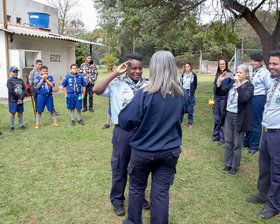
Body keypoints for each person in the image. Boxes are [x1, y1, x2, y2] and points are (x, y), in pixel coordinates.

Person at [118, 51, 189, 224]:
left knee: (136, 189)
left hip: (144, 151)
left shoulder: (145, 93)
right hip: (169, 152)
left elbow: (124, 119)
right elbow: (183, 113)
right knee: (161, 193)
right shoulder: (181, 94)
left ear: (154, 68)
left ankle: (133, 221)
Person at [93, 53, 150, 216]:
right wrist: (115, 73)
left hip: (143, 132)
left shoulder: (148, 85)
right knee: (119, 166)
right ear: (126, 68)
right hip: (123, 131)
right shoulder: (116, 83)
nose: (137, 71)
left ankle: (138, 197)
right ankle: (117, 200)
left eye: (140, 68)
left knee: (140, 167)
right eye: (133, 68)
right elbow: (97, 89)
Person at [246, 50, 280, 220]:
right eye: (271, 63)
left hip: (278, 135)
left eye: (275, 64)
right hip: (266, 132)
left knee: (277, 171)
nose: (271, 67)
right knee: (264, 166)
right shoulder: (275, 82)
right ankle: (263, 194)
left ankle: (274, 206)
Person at [216, 64, 254, 175]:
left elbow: (244, 99)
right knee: (228, 140)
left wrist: (238, 84)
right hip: (229, 114)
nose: (237, 74)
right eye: (237, 72)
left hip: (239, 117)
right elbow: (221, 92)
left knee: (237, 142)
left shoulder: (249, 86)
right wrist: (220, 81)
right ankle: (227, 163)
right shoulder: (232, 83)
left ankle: (235, 165)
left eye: (240, 73)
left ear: (246, 74)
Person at [243, 53, 272, 155]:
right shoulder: (250, 71)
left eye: (255, 61)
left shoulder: (264, 73)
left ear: (260, 62)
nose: (253, 63)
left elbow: (269, 87)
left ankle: (254, 146)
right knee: (248, 120)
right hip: (249, 97)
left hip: (258, 98)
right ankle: (246, 141)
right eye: (251, 61)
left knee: (255, 122)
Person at [212, 59, 232, 145]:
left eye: (223, 64)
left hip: (224, 98)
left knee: (222, 118)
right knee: (216, 118)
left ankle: (222, 137)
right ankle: (216, 135)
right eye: (220, 64)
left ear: (226, 64)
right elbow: (215, 86)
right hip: (216, 98)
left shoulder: (229, 73)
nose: (221, 66)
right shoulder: (218, 73)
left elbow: (230, 86)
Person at [6, 66, 27, 132]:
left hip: (20, 100)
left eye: (16, 72)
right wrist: (18, 98)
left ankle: (20, 125)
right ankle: (12, 127)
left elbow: (24, 89)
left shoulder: (20, 80)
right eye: (14, 72)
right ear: (10, 72)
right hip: (13, 100)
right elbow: (11, 90)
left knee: (20, 112)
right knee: (12, 112)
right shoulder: (9, 80)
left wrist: (21, 98)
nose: (15, 73)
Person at [180, 62, 197, 128]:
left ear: (190, 67)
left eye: (188, 66)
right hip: (183, 93)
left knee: (190, 109)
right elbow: (181, 84)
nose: (187, 68)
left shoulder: (193, 75)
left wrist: (192, 92)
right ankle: (180, 122)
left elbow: (195, 85)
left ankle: (190, 123)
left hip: (190, 93)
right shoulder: (182, 75)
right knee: (182, 108)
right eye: (186, 67)